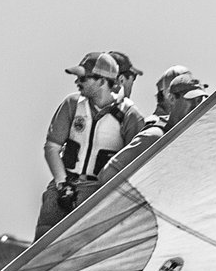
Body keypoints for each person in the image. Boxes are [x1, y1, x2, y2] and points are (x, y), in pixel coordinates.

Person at [37, 51, 149, 237]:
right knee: (40, 246)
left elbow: (136, 164)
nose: (77, 82)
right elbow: (52, 147)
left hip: (97, 195)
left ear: (102, 81)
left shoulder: (130, 115)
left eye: (83, 78)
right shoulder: (72, 104)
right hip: (62, 188)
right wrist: (62, 183)